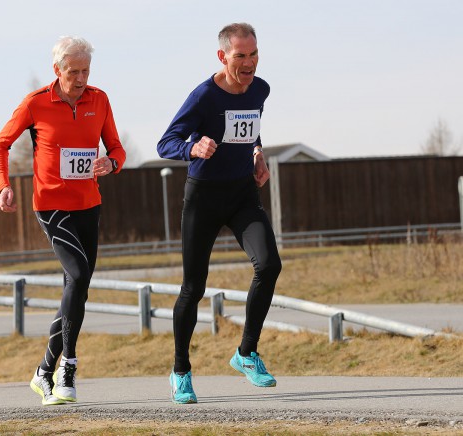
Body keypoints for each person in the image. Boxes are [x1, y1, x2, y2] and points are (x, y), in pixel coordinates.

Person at [0, 36, 126, 406]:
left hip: (88, 204)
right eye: (73, 71)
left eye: (86, 71)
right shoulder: (36, 103)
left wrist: (111, 163)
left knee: (76, 289)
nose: (81, 78)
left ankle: (42, 371)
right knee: (79, 276)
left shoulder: (99, 100)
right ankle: (68, 366)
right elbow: (0, 144)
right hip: (51, 206)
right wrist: (2, 186)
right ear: (57, 70)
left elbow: (116, 148)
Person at [156, 23, 282, 404]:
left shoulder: (260, 89)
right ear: (222, 56)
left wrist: (258, 153)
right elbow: (167, 142)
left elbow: (252, 130)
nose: (249, 63)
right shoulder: (204, 96)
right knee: (193, 287)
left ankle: (246, 354)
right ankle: (180, 370)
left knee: (270, 265)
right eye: (241, 55)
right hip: (204, 197)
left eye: (254, 54)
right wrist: (193, 146)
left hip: (243, 193)